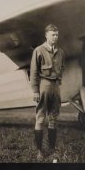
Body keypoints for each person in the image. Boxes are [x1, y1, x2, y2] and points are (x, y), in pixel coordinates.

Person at [30, 24, 65, 160]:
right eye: (52, 35)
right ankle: (39, 151)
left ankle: (52, 149)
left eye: (57, 34)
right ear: (46, 35)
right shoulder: (39, 50)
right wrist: (35, 91)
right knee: (40, 117)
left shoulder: (61, 51)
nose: (55, 37)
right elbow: (33, 72)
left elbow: (62, 67)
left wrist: (59, 81)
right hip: (44, 85)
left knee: (54, 118)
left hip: (56, 86)